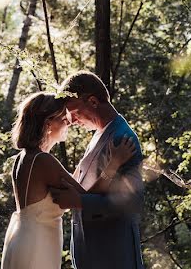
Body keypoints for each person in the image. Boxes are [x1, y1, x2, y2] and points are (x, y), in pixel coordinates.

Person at [1, 92, 135, 269]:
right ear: (48, 123)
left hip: (23, 239)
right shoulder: (43, 161)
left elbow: (63, 183)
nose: (68, 122)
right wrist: (114, 163)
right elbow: (85, 197)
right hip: (37, 245)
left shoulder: (24, 158)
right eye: (63, 118)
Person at [49, 71, 146, 269]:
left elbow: (132, 202)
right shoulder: (99, 134)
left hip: (113, 255)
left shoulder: (122, 138)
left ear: (93, 101)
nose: (72, 121)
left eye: (74, 112)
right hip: (92, 254)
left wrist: (79, 201)